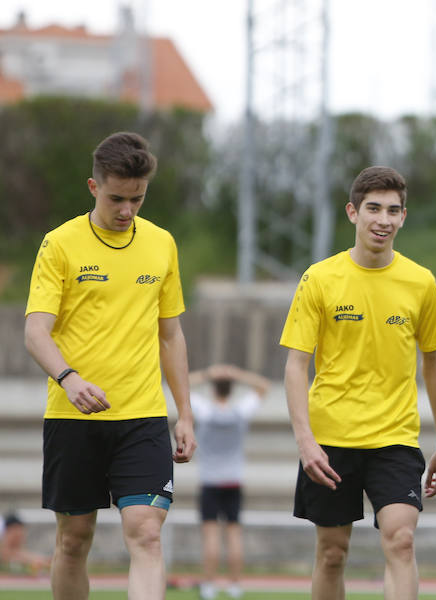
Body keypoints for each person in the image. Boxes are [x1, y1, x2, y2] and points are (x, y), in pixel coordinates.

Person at [23, 131, 196, 600]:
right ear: (93, 187)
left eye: (137, 199)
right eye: (117, 198)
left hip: (142, 417)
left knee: (146, 532)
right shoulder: (59, 244)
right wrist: (68, 377)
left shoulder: (162, 244)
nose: (127, 210)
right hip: (72, 416)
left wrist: (185, 411)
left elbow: (171, 334)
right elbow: (36, 331)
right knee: (74, 540)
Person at [280, 166, 436, 600]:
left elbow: (434, 364)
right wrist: (305, 441)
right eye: (373, 208)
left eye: (393, 210)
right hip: (330, 437)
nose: (383, 219)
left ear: (404, 217)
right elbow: (295, 365)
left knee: (401, 540)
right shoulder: (319, 278)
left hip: (394, 437)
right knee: (333, 553)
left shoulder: (420, 282)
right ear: (352, 213)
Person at [189, 364, 271, 600]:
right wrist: (238, 374)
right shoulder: (240, 412)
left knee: (211, 535)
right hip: (233, 481)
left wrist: (207, 373)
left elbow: (181, 385)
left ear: (213, 388)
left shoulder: (205, 411)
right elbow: (263, 386)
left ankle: (210, 585)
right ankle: (235, 585)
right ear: (231, 389)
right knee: (234, 534)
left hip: (210, 481)